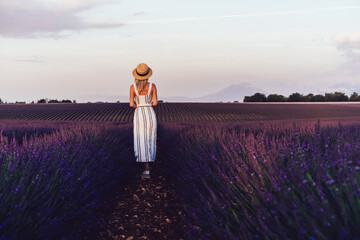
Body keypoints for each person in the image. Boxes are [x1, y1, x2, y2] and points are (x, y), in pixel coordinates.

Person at [129, 63, 158, 179]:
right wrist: (147, 105)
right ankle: (148, 168)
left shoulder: (133, 87)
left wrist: (139, 106)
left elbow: (131, 104)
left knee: (141, 138)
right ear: (147, 75)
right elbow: (155, 102)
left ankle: (143, 168)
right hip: (150, 113)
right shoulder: (153, 86)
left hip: (139, 113)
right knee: (150, 137)